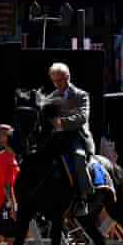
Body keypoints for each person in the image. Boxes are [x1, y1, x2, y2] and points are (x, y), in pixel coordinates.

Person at [47, 62, 94, 216]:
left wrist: (62, 122)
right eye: (55, 81)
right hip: (57, 137)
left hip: (76, 136)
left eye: (60, 80)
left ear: (67, 77)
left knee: (78, 157)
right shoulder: (51, 98)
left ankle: (83, 198)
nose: (58, 84)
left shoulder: (81, 95)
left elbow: (82, 117)